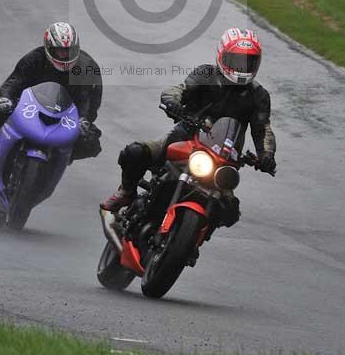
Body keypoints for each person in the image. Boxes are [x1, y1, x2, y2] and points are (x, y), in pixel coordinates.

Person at [101, 28, 277, 223]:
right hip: (186, 138)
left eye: (248, 62)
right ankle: (126, 192)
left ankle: (192, 243)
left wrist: (266, 156)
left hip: (224, 158)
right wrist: (172, 102)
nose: (242, 67)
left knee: (229, 212)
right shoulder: (205, 74)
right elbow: (179, 90)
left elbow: (263, 129)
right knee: (135, 153)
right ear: (222, 55)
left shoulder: (259, 96)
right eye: (236, 61)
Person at [0, 22, 102, 166]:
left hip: (66, 116)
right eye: (60, 51)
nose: (65, 56)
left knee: (91, 142)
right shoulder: (34, 59)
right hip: (29, 107)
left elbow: (92, 101)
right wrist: (5, 99)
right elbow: (12, 83)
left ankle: (59, 161)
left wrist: (84, 120)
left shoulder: (88, 68)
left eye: (69, 51)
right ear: (49, 48)